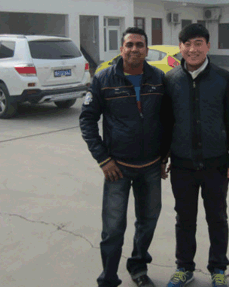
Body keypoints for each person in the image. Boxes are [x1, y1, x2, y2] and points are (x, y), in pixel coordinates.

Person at [80, 27, 168, 287]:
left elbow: (167, 120)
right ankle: (108, 277)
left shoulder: (159, 78)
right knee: (113, 228)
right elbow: (87, 120)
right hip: (117, 168)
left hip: (151, 167)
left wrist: (164, 157)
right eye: (129, 45)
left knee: (148, 222)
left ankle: (138, 267)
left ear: (147, 50)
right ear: (121, 49)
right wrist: (103, 159)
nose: (134, 49)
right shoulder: (104, 79)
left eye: (139, 45)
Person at [163, 23, 229, 287]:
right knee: (184, 219)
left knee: (217, 218)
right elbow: (166, 123)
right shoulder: (171, 80)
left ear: (208, 46)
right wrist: (164, 157)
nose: (192, 49)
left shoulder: (223, 78)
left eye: (198, 43)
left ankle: (218, 268)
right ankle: (184, 267)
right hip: (182, 165)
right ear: (180, 47)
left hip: (216, 164)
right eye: (187, 44)